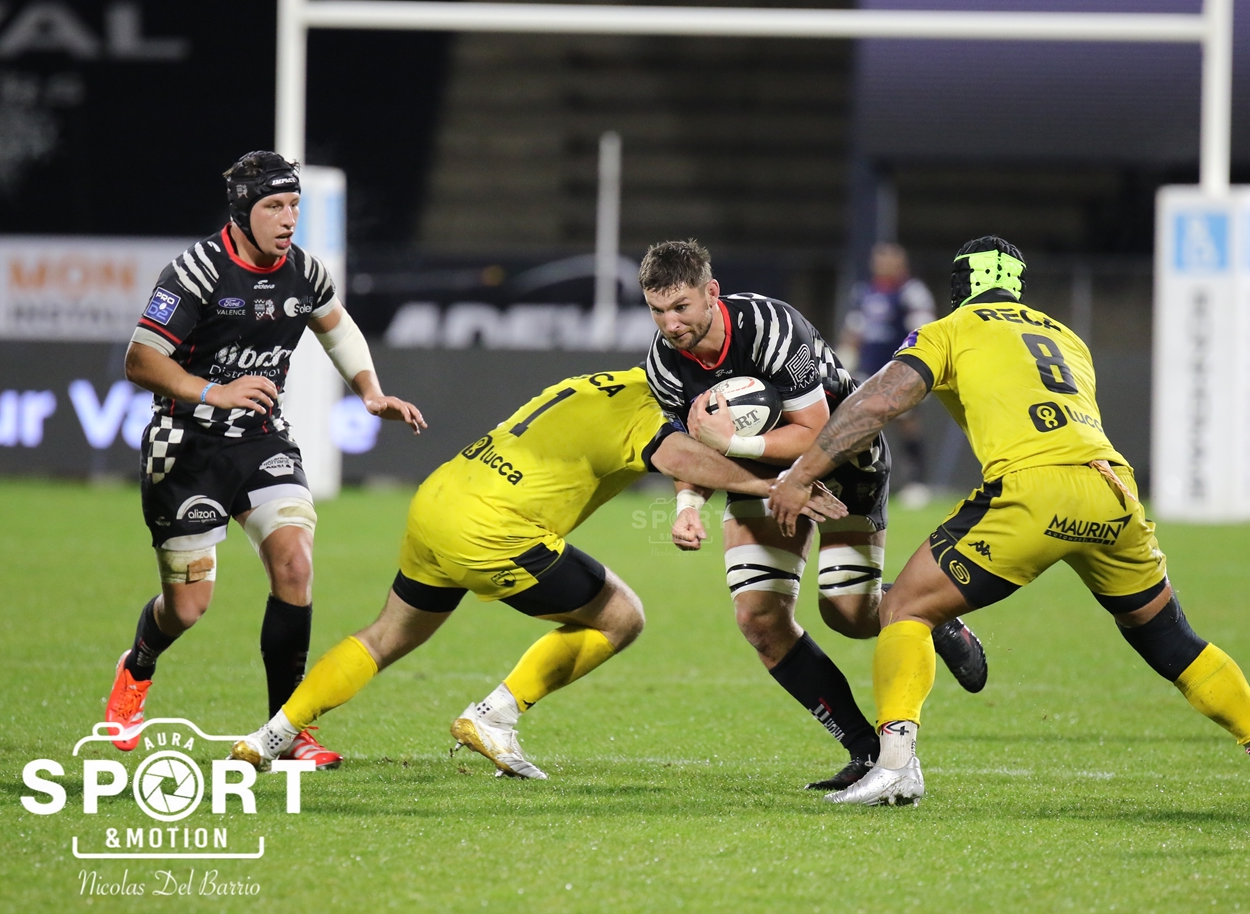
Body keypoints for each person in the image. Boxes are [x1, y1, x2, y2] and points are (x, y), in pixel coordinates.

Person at [769, 236, 1250, 811]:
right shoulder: (1066, 337)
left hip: (1033, 491)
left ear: (960, 285)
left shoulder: (949, 329)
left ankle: (897, 766)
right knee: (1169, 639)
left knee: (904, 608)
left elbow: (880, 400)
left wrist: (803, 473)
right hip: (1112, 491)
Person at [231, 369, 847, 778]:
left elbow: (682, 448)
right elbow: (682, 451)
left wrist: (689, 503)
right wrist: (772, 483)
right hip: (496, 530)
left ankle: (270, 736)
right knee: (621, 616)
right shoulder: (648, 419)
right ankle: (495, 715)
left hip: (439, 499)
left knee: (387, 634)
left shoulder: (611, 383)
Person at [104, 151, 426, 769]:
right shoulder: (196, 271)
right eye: (273, 206)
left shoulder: (303, 271)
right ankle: (138, 666)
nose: (287, 218)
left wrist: (370, 392)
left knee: (294, 564)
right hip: (186, 446)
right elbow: (140, 360)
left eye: (293, 205)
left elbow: (337, 327)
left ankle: (285, 731)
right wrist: (213, 391)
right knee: (187, 608)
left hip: (261, 440)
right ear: (242, 213)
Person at [642, 239, 987, 791]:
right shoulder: (664, 363)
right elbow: (694, 448)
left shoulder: (772, 328)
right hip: (761, 473)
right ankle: (865, 750)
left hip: (844, 460)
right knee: (759, 618)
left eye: (680, 307)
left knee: (848, 614)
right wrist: (688, 506)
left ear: (711, 293)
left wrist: (733, 444)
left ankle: (928, 614)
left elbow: (816, 432)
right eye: (657, 310)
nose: (670, 324)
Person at [841, 242, 938, 508]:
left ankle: (916, 483)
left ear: (900, 263)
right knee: (862, 424)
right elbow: (854, 329)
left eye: (888, 259)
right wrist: (846, 357)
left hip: (900, 369)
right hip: (869, 369)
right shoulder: (864, 291)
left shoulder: (912, 292)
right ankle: (862, 481)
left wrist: (918, 368)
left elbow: (923, 330)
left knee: (907, 422)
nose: (881, 264)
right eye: (878, 259)